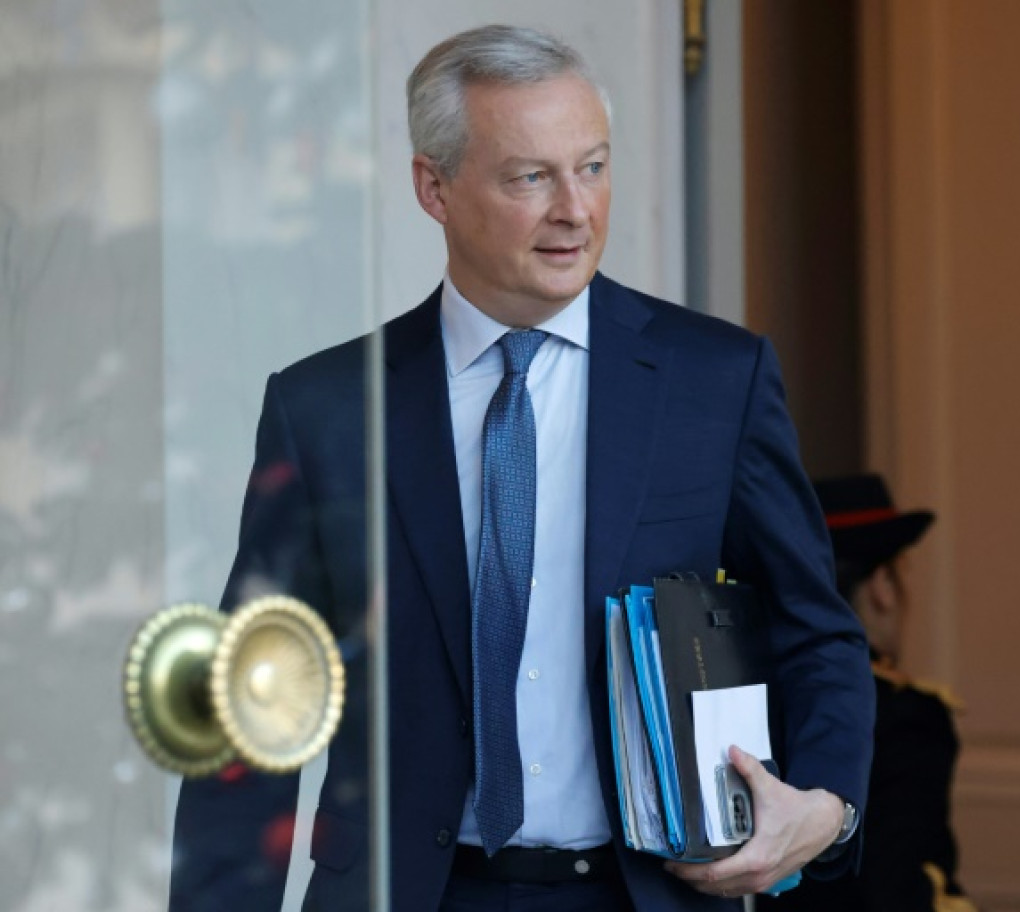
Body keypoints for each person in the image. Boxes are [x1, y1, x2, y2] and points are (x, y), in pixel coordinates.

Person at [170, 25, 875, 912]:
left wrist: (827, 807)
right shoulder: (326, 410)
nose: (575, 211)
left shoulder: (714, 382)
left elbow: (817, 632)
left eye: (593, 167)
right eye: (530, 177)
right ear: (435, 187)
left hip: (645, 896)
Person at [759, 474, 975, 912]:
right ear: (881, 587)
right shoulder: (907, 718)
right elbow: (899, 889)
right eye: (901, 575)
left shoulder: (755, 700)